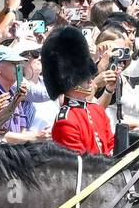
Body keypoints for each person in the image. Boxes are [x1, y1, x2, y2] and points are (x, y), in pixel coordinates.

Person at [44, 26, 115, 156]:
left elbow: (111, 146)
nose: (90, 79)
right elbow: (79, 165)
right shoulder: (66, 121)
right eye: (84, 76)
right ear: (72, 81)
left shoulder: (97, 110)